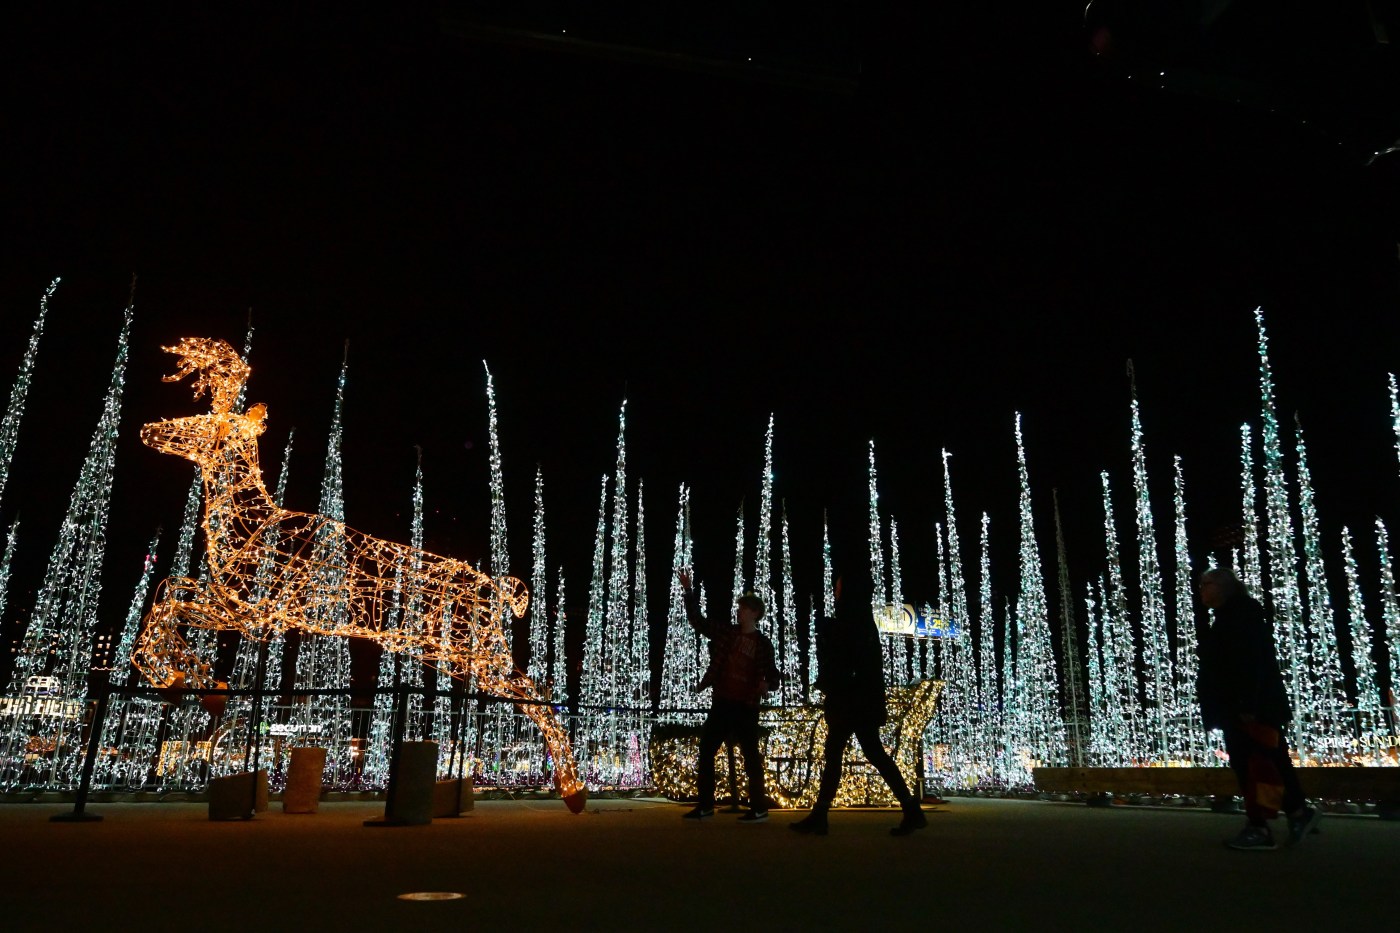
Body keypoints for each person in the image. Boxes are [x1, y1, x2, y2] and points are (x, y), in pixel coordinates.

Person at [791, 569, 927, 837]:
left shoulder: (851, 620)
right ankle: (910, 809)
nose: (836, 591)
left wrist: (829, 636)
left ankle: (821, 815)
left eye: (839, 587)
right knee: (869, 753)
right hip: (860, 700)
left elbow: (846, 659)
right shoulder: (861, 620)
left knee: (840, 753)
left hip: (850, 700)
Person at [1197, 567, 1321, 850]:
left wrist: (1246, 703)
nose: (1201, 589)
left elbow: (1248, 662)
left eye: (1207, 583)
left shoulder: (1238, 618)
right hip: (1248, 706)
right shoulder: (1234, 616)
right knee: (1268, 760)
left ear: (1225, 587)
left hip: (1247, 708)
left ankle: (1260, 828)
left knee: (1252, 764)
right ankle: (1297, 813)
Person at [678, 570, 781, 823]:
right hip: (723, 701)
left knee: (751, 756)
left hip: (746, 705)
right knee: (707, 750)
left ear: (755, 613)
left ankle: (758, 807)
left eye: (744, 609)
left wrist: (767, 684)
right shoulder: (728, 633)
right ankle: (705, 805)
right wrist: (688, 591)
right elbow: (699, 622)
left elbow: (774, 676)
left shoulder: (762, 644)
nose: (739, 612)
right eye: (739, 608)